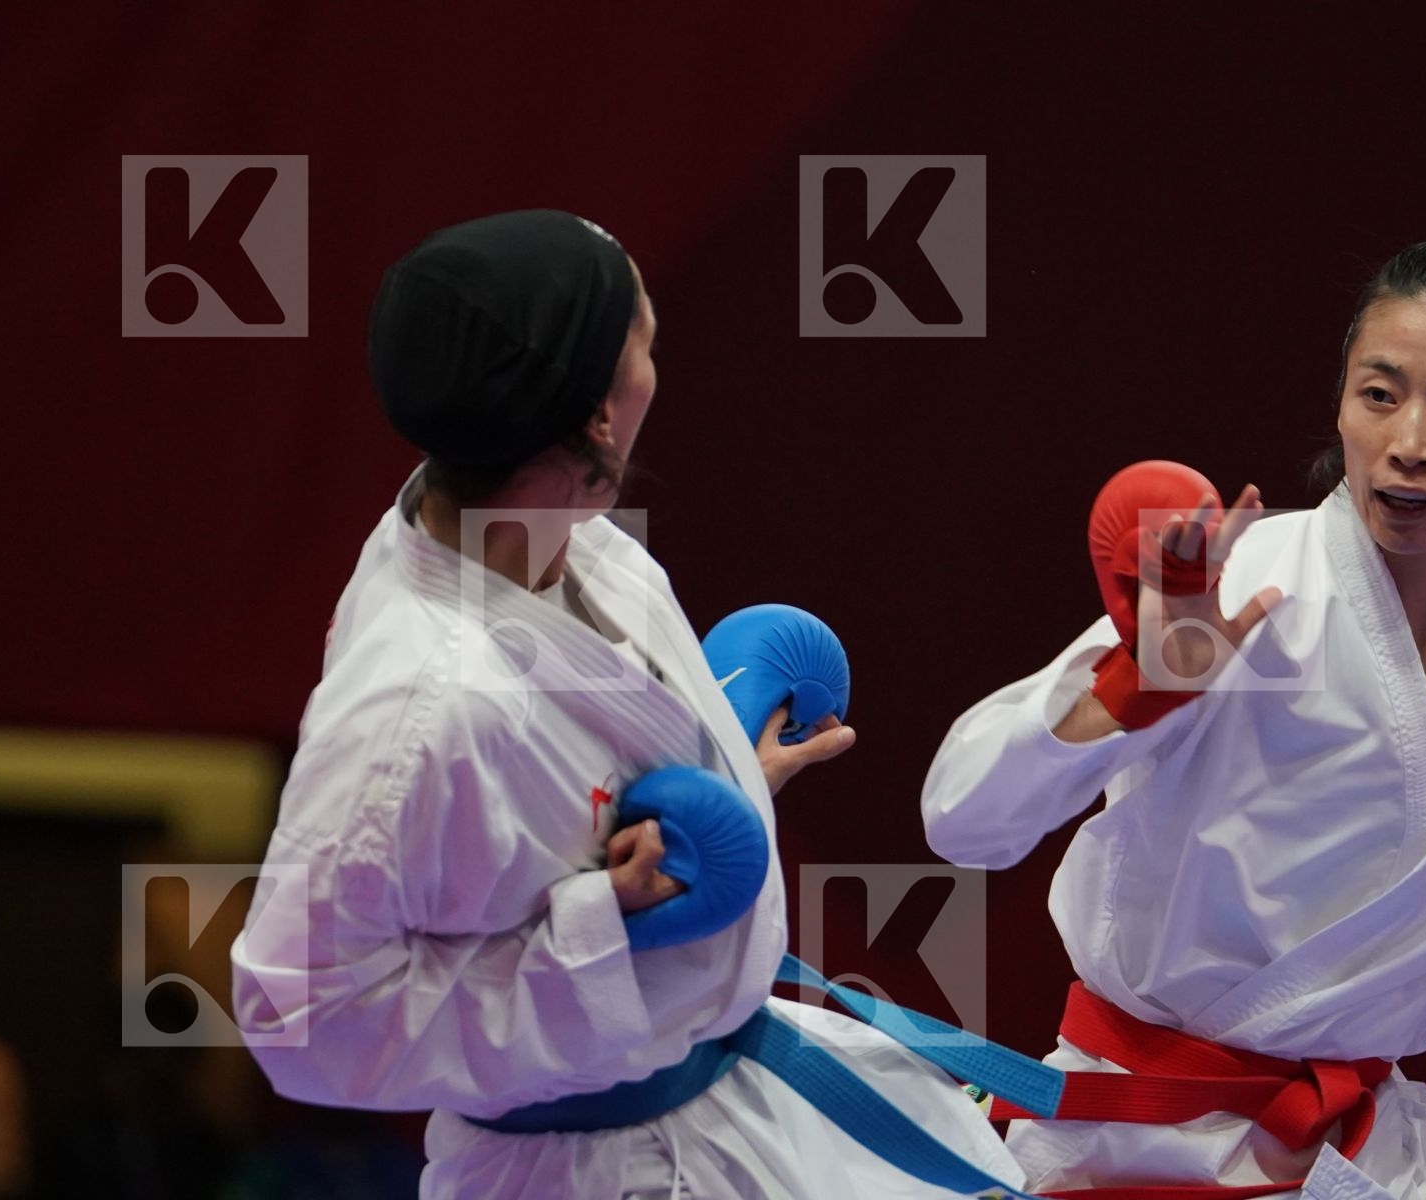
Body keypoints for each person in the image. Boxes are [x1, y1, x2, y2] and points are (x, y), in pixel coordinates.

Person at [231, 209, 1022, 1199]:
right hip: (592, 1164)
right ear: (600, 415)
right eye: (644, 340)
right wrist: (600, 926)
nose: (660, 361)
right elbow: (298, 1024)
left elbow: (548, 808)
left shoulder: (576, 545)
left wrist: (724, 773)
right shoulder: (420, 710)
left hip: (726, 1098)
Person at [921, 239, 1426, 1198]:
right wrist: (1139, 689)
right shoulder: (1238, 592)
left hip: (1351, 1155)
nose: (1410, 441)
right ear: (1341, 399)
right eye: (1379, 395)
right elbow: (961, 819)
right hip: (1129, 1144)